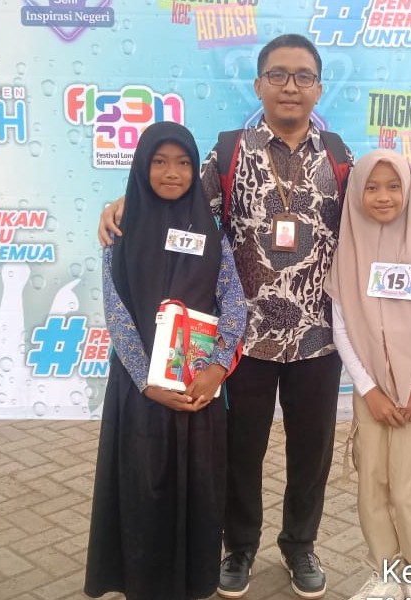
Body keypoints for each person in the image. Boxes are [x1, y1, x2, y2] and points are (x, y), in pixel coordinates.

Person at [97, 34, 411, 599]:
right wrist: (122, 203)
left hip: (320, 338)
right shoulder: (227, 153)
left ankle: (299, 545)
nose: (291, 86)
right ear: (259, 84)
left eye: (303, 76)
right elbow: (178, 200)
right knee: (241, 454)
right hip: (245, 340)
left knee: (311, 456)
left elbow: (383, 208)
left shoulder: (340, 158)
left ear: (319, 87)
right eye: (279, 75)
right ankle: (239, 547)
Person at [84, 122, 247, 600]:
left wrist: (216, 369)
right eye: (159, 162)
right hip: (140, 397)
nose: (171, 172)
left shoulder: (212, 232)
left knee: (197, 492)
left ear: (196, 170)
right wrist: (147, 381)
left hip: (198, 392)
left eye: (182, 163)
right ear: (141, 166)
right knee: (142, 493)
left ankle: (192, 584)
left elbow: (234, 303)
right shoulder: (120, 231)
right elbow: (116, 311)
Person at [323, 150, 411, 600]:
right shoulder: (346, 253)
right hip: (373, 392)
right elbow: (342, 327)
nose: (383, 196)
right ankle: (383, 571)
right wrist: (368, 390)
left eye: (394, 186)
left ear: (409, 190)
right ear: (356, 194)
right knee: (373, 485)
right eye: (372, 187)